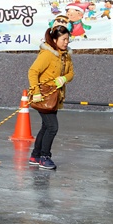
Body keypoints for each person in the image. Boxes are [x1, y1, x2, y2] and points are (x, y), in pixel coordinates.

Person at [28, 26, 74, 170]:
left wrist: (64, 79)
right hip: (43, 95)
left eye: (68, 39)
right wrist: (35, 92)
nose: (66, 42)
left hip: (54, 96)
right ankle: (44, 157)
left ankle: (35, 155)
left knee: (46, 126)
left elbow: (71, 73)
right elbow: (33, 71)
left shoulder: (66, 55)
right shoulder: (47, 55)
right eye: (63, 39)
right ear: (55, 40)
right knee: (53, 127)